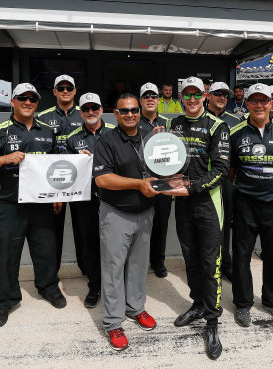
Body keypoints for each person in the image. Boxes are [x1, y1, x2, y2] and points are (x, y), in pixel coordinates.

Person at [0, 83, 67, 329]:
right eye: (22, 98)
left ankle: (48, 287)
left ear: (37, 103)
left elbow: (56, 167)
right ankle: (6, 298)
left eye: (32, 99)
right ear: (13, 101)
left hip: (41, 204)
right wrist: (4, 158)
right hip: (7, 205)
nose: (27, 102)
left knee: (46, 250)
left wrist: (57, 194)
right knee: (5, 256)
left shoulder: (47, 131)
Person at [166, 76, 230, 360]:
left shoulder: (217, 126)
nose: (192, 100)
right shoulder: (173, 124)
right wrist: (166, 181)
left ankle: (213, 321)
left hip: (207, 204)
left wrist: (191, 187)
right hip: (182, 202)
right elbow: (165, 159)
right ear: (182, 97)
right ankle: (198, 304)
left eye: (196, 95)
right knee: (190, 259)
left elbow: (221, 169)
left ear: (204, 96)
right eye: (187, 95)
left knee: (210, 263)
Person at [93, 93, 159, 351]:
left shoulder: (149, 136)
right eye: (124, 111)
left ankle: (135, 308)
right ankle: (113, 322)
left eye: (133, 109)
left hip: (145, 212)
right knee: (113, 268)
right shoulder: (107, 141)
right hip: (116, 213)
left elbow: (162, 167)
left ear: (139, 111)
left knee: (139, 266)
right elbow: (103, 179)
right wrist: (138, 184)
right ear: (116, 114)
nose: (130, 114)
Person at [229, 83, 273, 329]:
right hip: (245, 203)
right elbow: (231, 171)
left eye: (264, 101)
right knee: (242, 256)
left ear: (271, 104)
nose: (259, 105)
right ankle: (243, 303)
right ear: (246, 104)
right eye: (254, 101)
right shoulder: (235, 132)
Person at [64, 92, 115, 308]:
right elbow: (66, 171)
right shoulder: (72, 138)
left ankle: (114, 285)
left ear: (102, 110)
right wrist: (78, 161)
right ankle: (95, 285)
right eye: (86, 109)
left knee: (114, 243)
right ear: (81, 113)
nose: (91, 112)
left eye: (95, 108)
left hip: (113, 197)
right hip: (84, 199)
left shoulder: (115, 133)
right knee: (90, 243)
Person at [37, 75, 85, 274]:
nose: (65, 91)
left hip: (80, 183)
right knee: (52, 232)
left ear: (75, 91)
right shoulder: (43, 117)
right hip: (54, 182)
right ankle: (52, 273)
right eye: (61, 88)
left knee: (83, 228)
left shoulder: (86, 113)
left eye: (69, 88)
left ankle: (87, 269)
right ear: (54, 91)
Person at [137, 82, 173, 278]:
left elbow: (176, 152)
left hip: (164, 179)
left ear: (158, 99)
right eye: (146, 96)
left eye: (153, 96)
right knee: (141, 223)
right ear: (141, 100)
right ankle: (139, 261)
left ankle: (158, 261)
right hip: (141, 180)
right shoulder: (133, 121)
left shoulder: (169, 123)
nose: (150, 99)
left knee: (161, 223)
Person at [206, 82, 240, 282]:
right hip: (204, 180)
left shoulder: (235, 120)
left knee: (226, 225)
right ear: (208, 96)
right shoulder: (200, 118)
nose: (222, 97)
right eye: (217, 93)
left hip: (227, 181)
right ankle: (208, 266)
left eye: (225, 94)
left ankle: (225, 264)